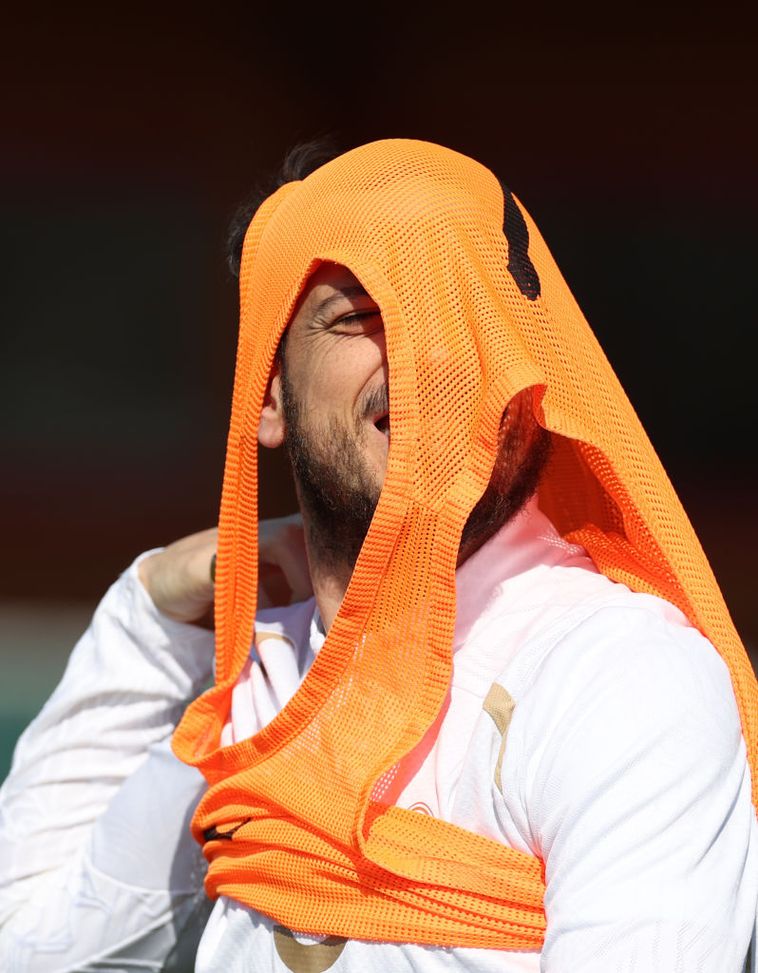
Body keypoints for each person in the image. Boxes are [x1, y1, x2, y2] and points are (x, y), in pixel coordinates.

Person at [1, 138, 756, 972]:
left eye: (465, 316)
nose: (430, 356)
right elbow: (35, 946)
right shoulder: (255, 685)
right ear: (268, 395)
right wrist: (151, 612)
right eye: (362, 316)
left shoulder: (614, 673)